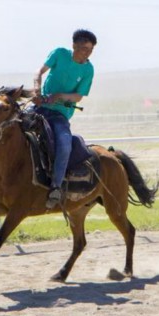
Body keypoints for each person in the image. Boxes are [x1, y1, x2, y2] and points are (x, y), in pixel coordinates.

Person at [32, 28, 97, 208]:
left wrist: (60, 96)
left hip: (59, 115)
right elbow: (39, 71)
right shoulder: (59, 54)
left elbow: (78, 97)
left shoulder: (88, 69)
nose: (86, 53)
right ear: (74, 46)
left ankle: (56, 187)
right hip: (38, 107)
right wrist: (37, 89)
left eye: (90, 50)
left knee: (64, 143)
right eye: (83, 48)